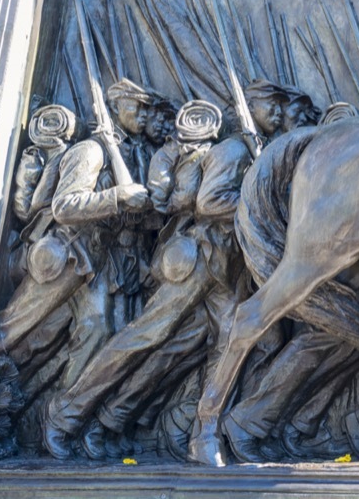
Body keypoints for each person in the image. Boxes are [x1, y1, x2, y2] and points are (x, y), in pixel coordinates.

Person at [41, 84, 287, 458]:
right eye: (274, 108)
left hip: (225, 265)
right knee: (143, 336)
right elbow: (208, 202)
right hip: (196, 258)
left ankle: (199, 434)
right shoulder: (233, 149)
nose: (282, 116)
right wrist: (260, 199)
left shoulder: (255, 150)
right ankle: (66, 415)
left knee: (223, 346)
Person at [0, 81, 155, 390]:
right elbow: (65, 206)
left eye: (147, 108)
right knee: (15, 330)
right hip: (66, 253)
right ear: (115, 108)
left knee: (95, 331)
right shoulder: (91, 151)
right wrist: (117, 196)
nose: (144, 114)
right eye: (137, 106)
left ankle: (58, 419)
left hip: (94, 261)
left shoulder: (128, 154)